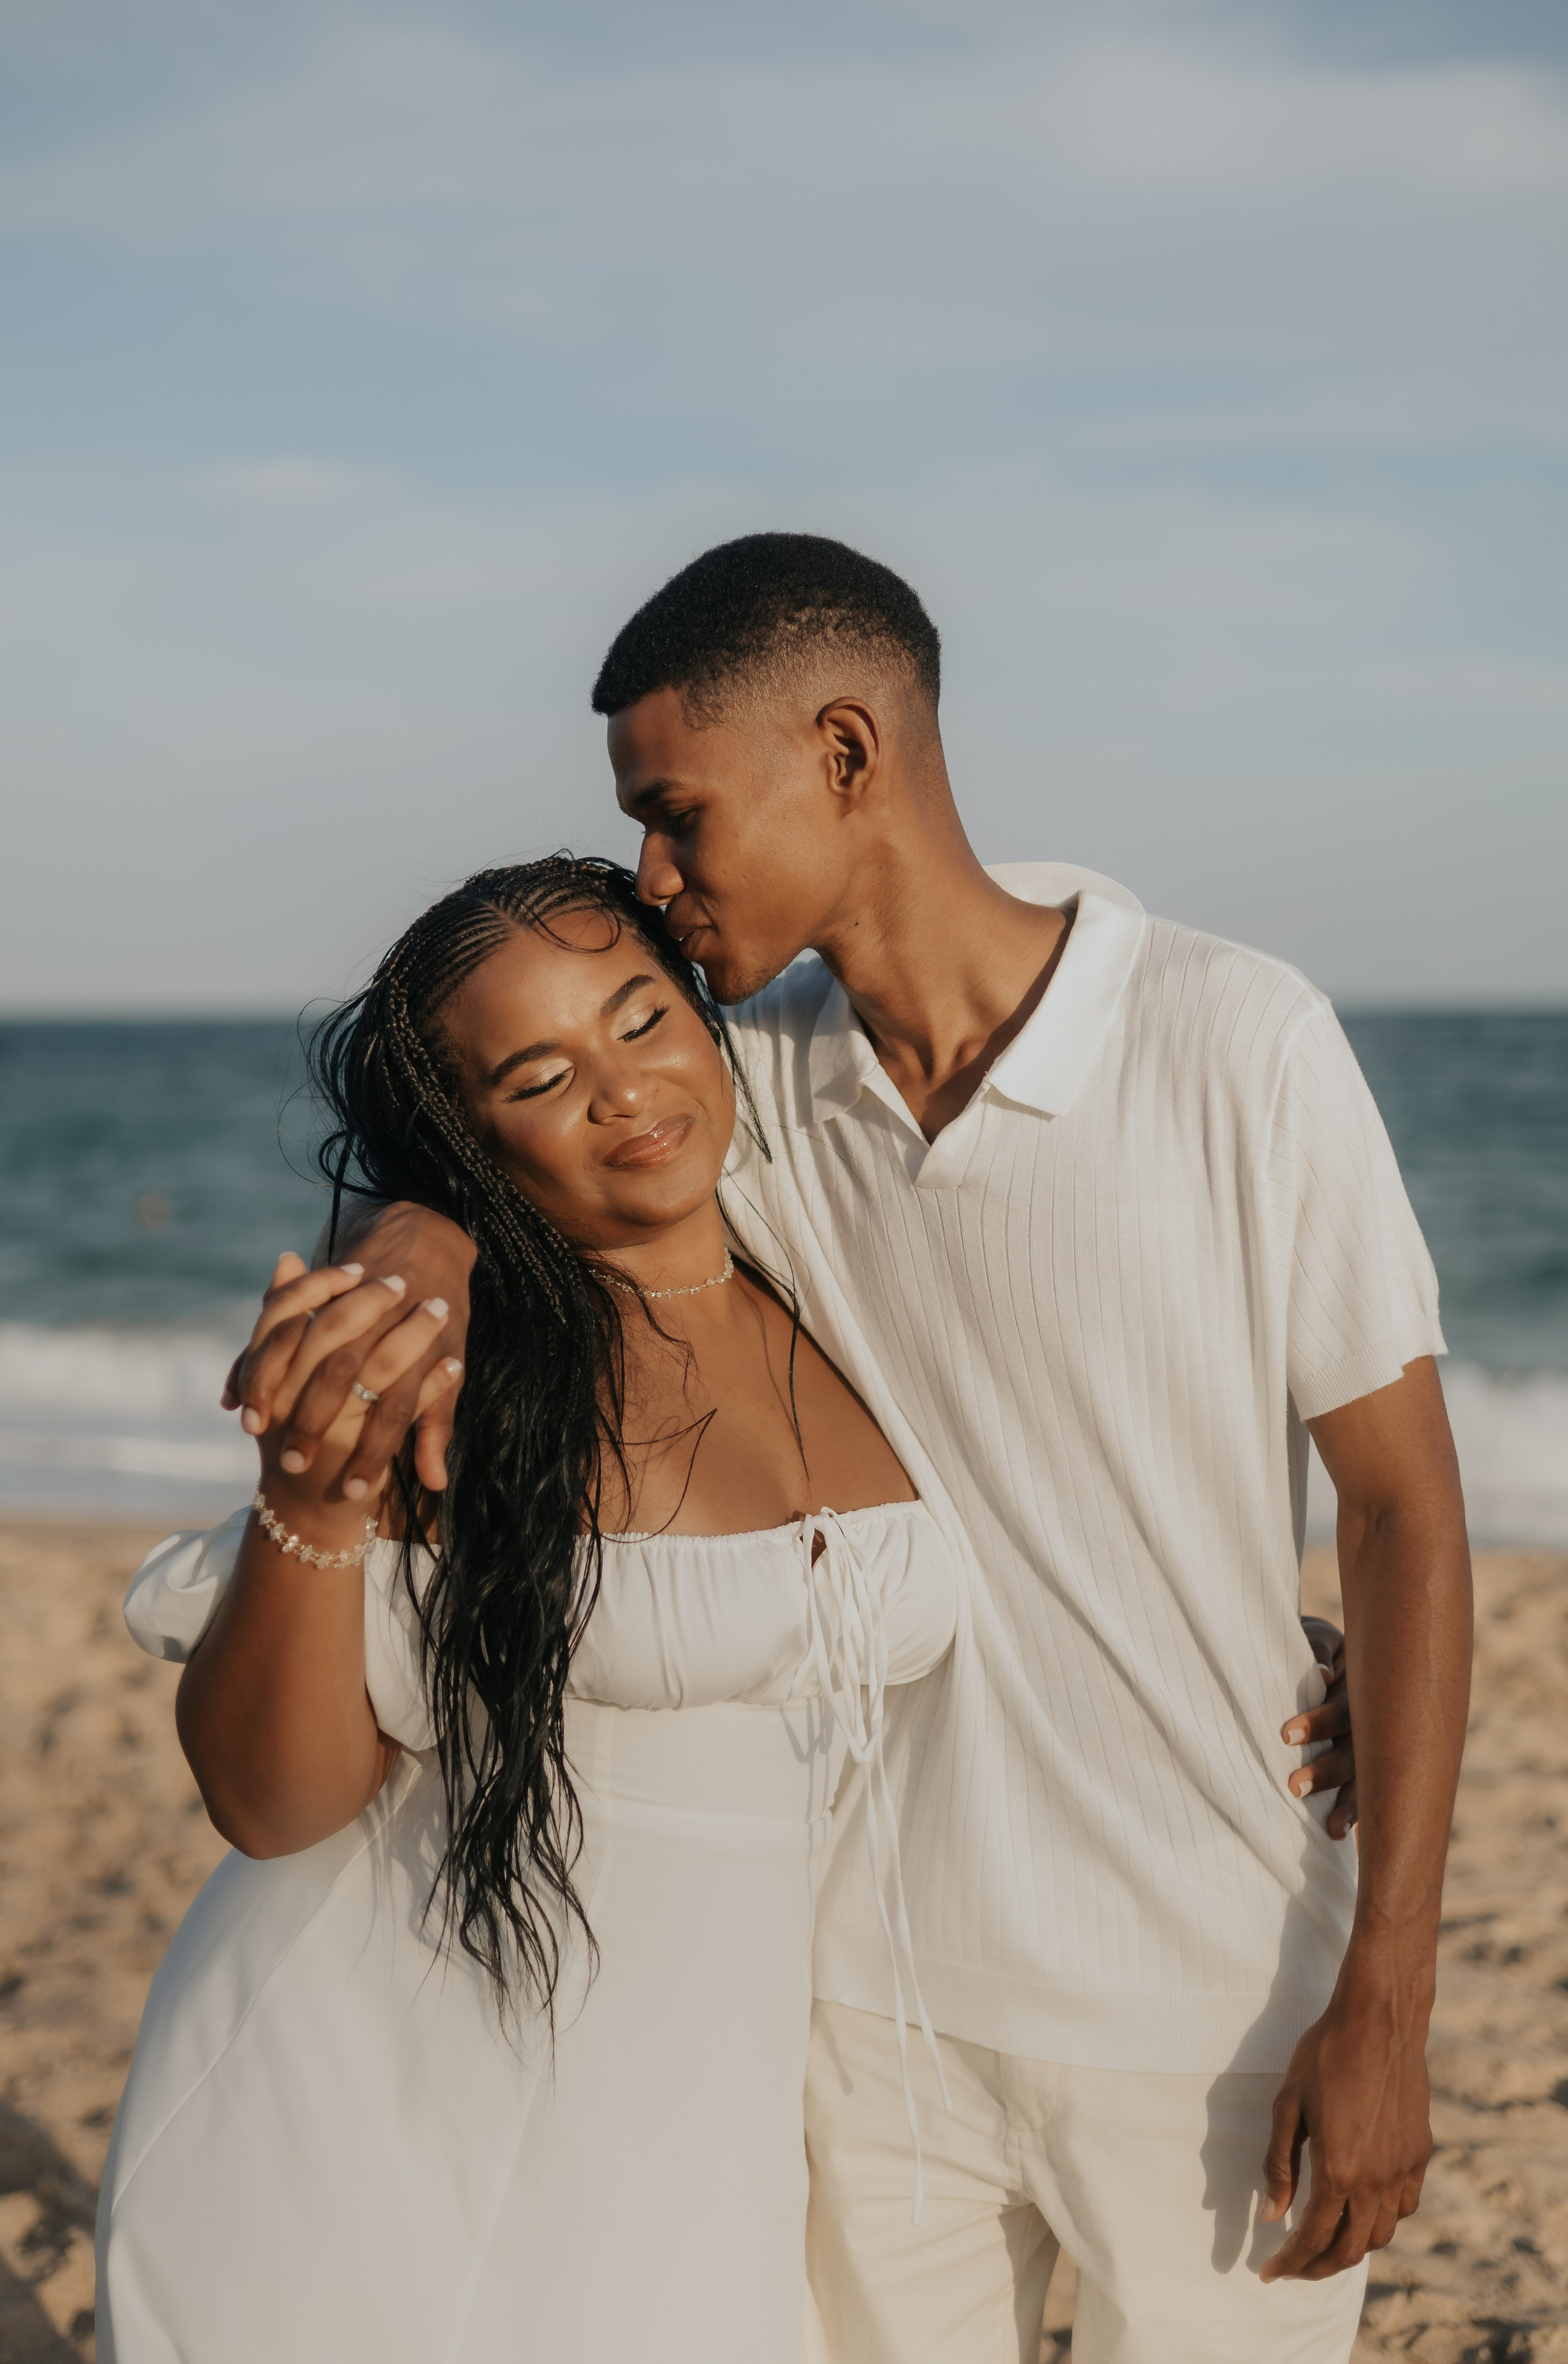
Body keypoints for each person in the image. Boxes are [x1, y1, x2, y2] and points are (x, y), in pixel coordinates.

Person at [261, 535, 1474, 2362]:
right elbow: (518, 1155)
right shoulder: (762, 1092)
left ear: (844, 751)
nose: (655, 882)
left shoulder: (1240, 1041)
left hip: (1210, 2006)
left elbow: (1402, 1515)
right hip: (866, 2018)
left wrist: (1388, 1989)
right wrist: (419, 1248)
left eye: (675, 816)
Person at [95, 857, 963, 2363]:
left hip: (705, 2129)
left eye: (640, 1018)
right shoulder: (461, 1376)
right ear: (473, 1144)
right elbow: (268, 1799)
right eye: (539, 1075)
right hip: (378, 2107)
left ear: (705, 1013)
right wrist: (310, 1500)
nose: (623, 1090)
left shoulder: (847, 1266)